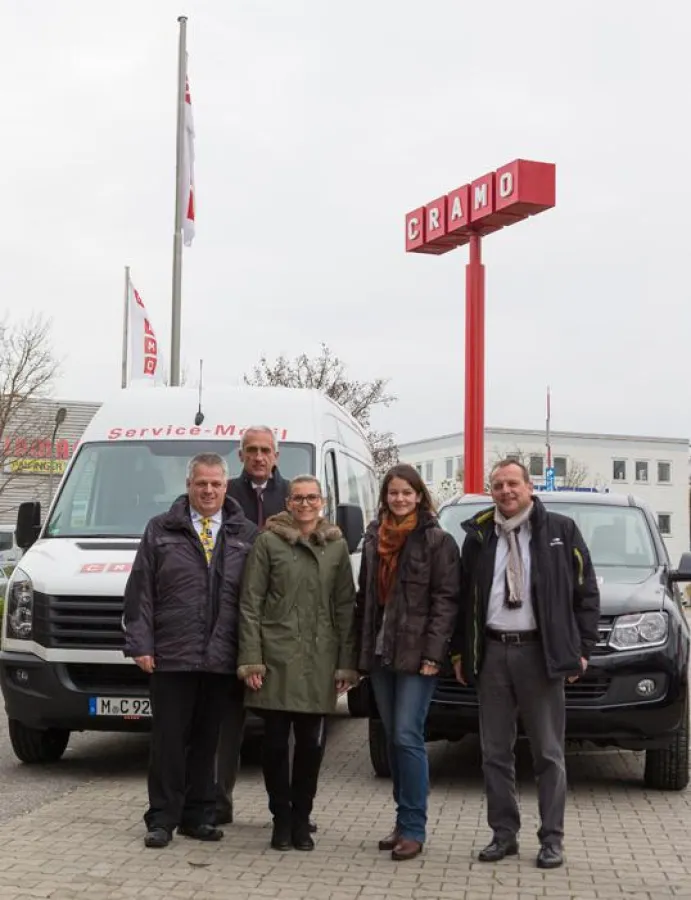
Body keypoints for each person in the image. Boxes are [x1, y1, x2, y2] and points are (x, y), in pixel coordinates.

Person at [452, 459, 600, 870]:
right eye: (497, 485)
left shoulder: (560, 531)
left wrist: (581, 649)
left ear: (529, 487)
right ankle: (504, 835)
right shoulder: (479, 535)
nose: (505, 491)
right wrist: (462, 652)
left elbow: (585, 594)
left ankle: (552, 839)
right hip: (494, 653)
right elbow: (465, 600)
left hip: (541, 654)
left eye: (512, 483)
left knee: (549, 754)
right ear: (490, 490)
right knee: (494, 752)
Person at [123, 452, 257, 849]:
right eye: (202, 483)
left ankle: (198, 816)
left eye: (216, 483)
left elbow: (256, 598)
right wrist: (141, 644)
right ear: (189, 485)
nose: (209, 490)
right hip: (171, 654)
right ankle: (162, 818)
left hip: (222, 656)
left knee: (208, 741)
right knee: (168, 740)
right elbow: (140, 592)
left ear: (226, 485)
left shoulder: (245, 533)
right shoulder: (160, 529)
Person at [237, 475, 359, 852]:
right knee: (274, 745)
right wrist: (251, 659)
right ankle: (281, 818)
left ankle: (302, 818)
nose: (305, 504)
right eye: (298, 498)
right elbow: (250, 602)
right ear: (287, 502)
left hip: (319, 660)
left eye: (312, 498)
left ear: (322, 502)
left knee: (311, 745)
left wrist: (346, 663)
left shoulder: (335, 547)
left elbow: (345, 607)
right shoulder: (269, 541)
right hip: (276, 657)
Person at [354, 463, 460, 862]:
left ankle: (415, 827)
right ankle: (401, 822)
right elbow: (366, 601)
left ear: (419, 496)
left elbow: (445, 602)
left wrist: (435, 655)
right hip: (381, 654)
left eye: (406, 492)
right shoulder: (372, 539)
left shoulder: (437, 541)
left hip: (418, 656)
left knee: (405, 736)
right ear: (385, 497)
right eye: (393, 492)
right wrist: (359, 655)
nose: (399, 499)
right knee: (394, 740)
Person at [214, 425, 292, 827]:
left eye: (266, 450)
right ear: (240, 455)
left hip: (278, 624)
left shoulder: (293, 495)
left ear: (276, 455)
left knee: (282, 726)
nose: (259, 457)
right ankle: (217, 803)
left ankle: (288, 810)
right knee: (227, 723)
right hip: (232, 618)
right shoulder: (223, 493)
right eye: (251, 450)